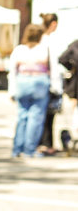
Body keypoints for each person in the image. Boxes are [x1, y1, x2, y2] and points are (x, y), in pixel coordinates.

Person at [8, 24, 53, 158]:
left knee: (22, 116)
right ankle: (29, 150)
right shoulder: (44, 49)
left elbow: (12, 70)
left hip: (22, 82)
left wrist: (12, 90)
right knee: (36, 117)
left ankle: (17, 149)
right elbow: (54, 70)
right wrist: (56, 87)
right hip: (39, 82)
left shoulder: (19, 49)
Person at [38, 13, 64, 150]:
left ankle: (41, 143)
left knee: (40, 114)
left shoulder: (39, 38)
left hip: (37, 80)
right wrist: (57, 86)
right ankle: (47, 144)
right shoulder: (48, 40)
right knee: (49, 115)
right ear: (53, 24)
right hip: (48, 82)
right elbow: (53, 65)